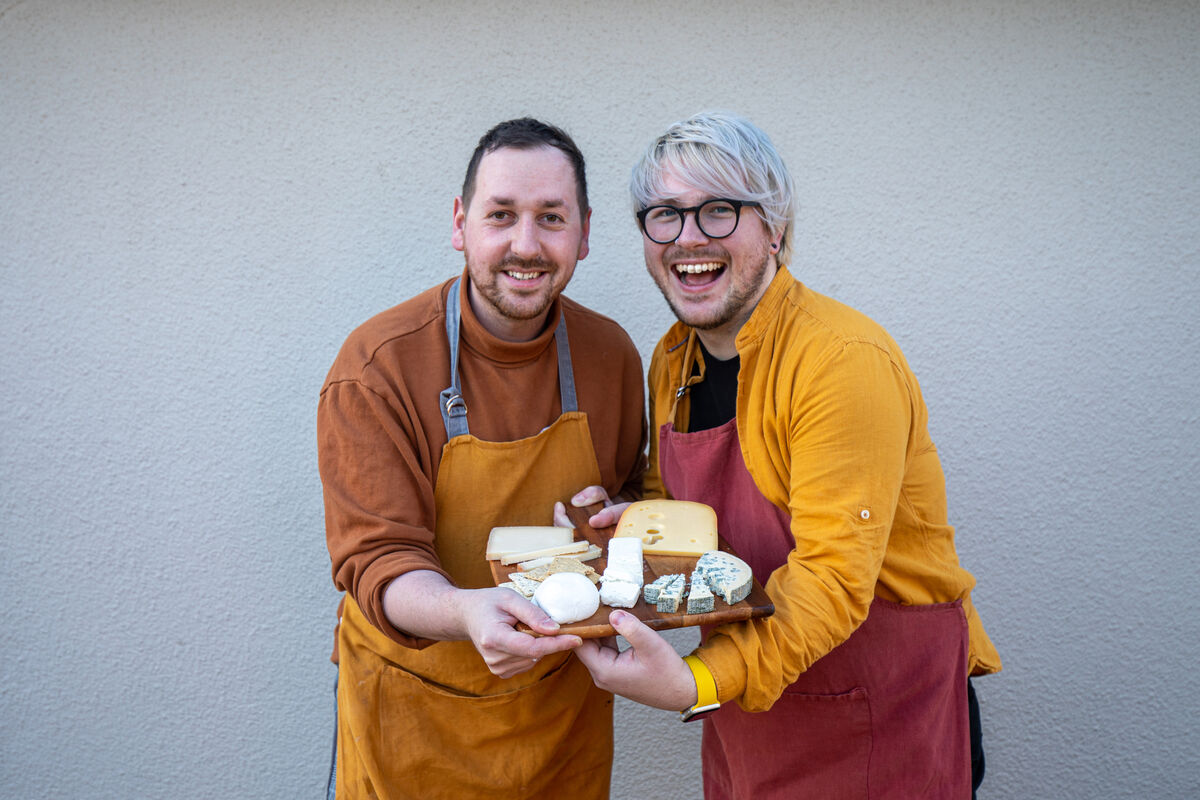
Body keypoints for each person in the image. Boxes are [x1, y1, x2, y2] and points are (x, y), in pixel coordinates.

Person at [562, 111, 1002, 799]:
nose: (688, 239)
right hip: (751, 701)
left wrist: (696, 681)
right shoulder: (673, 361)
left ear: (775, 227)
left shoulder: (840, 362)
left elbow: (830, 581)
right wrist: (631, 527)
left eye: (718, 210)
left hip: (879, 707)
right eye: (664, 215)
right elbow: (676, 504)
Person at [318, 118, 647, 800]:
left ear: (584, 234)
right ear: (461, 223)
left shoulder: (611, 355)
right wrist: (469, 613)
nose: (525, 245)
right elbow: (376, 560)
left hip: (562, 720)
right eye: (502, 216)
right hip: (414, 722)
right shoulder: (376, 367)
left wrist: (619, 531)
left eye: (551, 218)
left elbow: (629, 504)